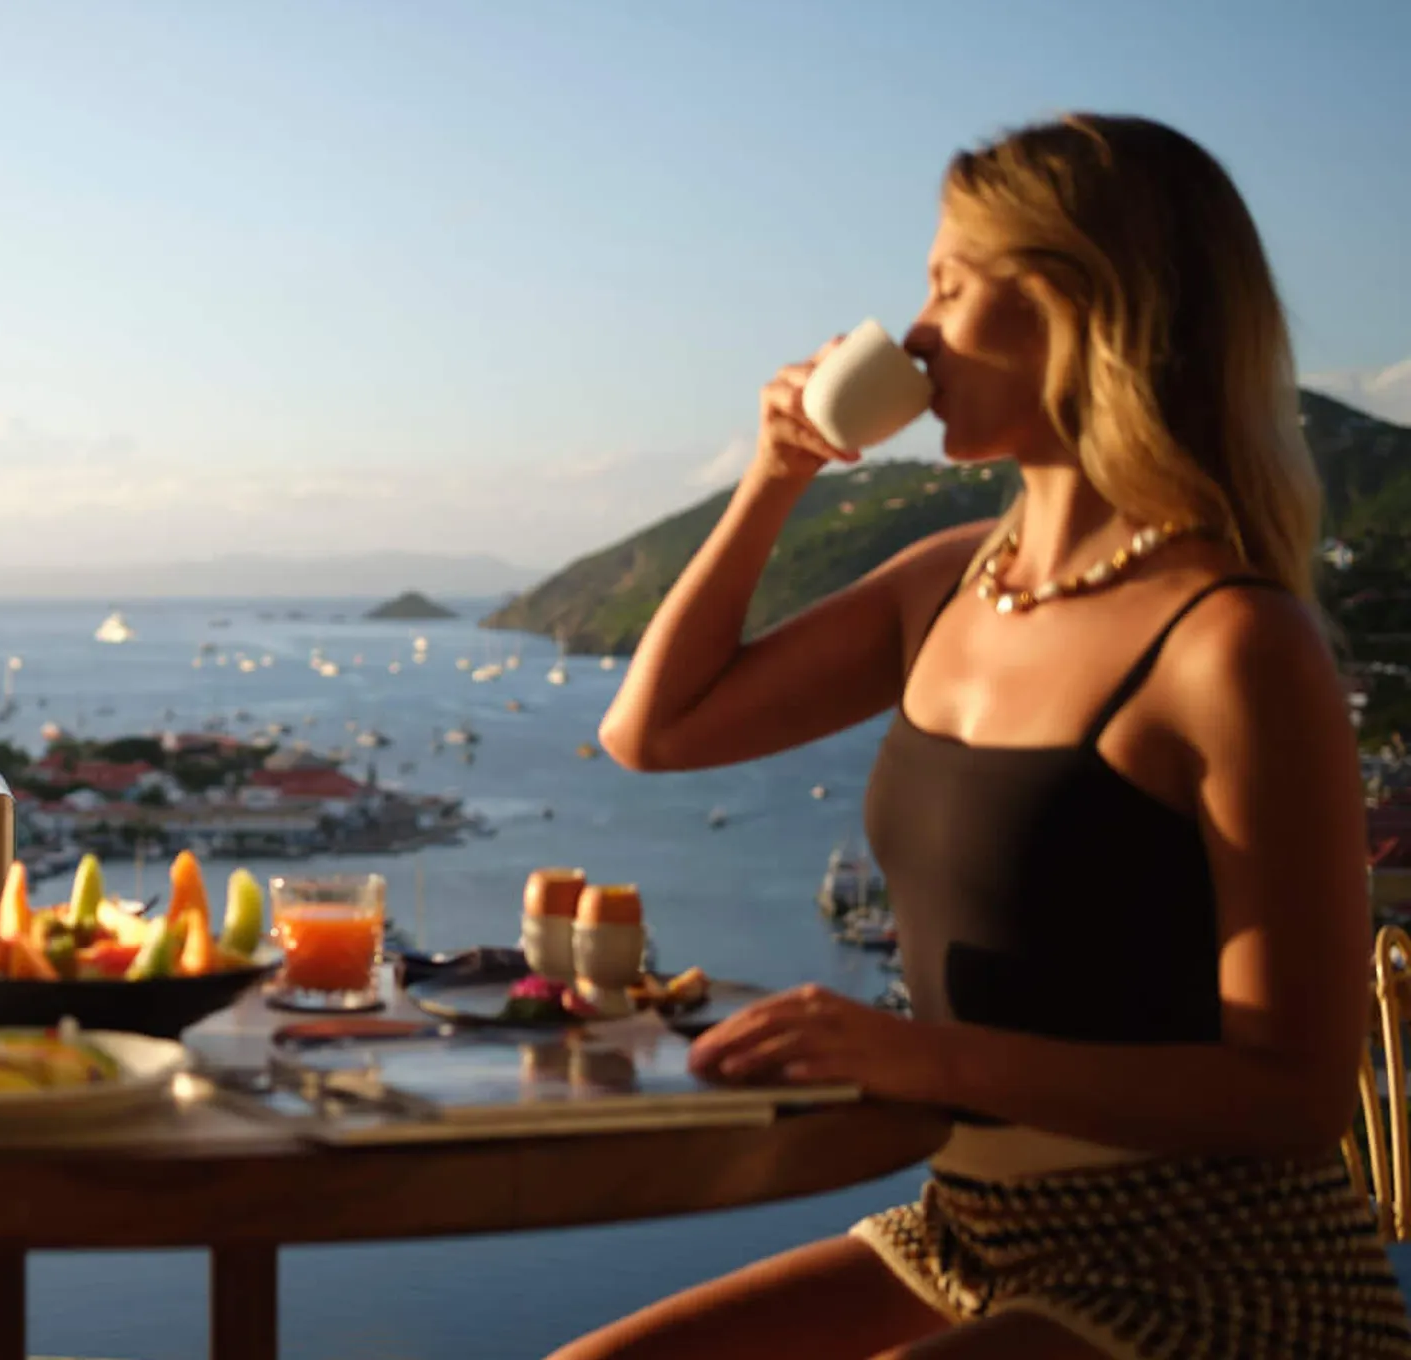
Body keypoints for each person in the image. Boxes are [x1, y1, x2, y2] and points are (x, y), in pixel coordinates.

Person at [564, 114, 1411, 1359]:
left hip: (1218, 1269)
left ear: (1084, 309)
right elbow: (654, 728)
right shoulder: (952, 582)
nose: (911, 331)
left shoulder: (1231, 643)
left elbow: (1290, 1092)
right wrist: (775, 476)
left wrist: (917, 1053)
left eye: (952, 286)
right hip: (972, 1232)